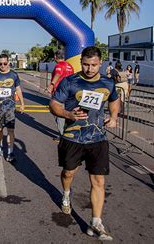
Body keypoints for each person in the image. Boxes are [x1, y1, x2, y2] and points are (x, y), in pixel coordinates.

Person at [49, 46, 119, 241]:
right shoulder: (70, 82)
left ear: (100, 63)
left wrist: (113, 116)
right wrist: (67, 114)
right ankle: (66, 193)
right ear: (81, 63)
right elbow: (54, 104)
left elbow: (114, 99)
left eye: (94, 65)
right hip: (73, 138)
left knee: (98, 181)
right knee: (68, 172)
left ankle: (96, 221)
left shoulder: (108, 82)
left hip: (98, 139)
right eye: (86, 65)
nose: (89, 69)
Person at [0, 54, 25, 163]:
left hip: (10, 107)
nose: (3, 66)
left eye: (5, 63)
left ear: (8, 63)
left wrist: (22, 103)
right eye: (0, 64)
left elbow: (18, 89)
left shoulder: (13, 74)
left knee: (10, 130)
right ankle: (0, 146)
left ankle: (10, 152)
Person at [46, 50, 74, 141]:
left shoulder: (59, 65)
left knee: (58, 113)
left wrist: (51, 85)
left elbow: (58, 74)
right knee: (67, 114)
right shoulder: (69, 66)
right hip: (69, 94)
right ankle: (68, 133)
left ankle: (63, 136)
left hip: (60, 93)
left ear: (55, 57)